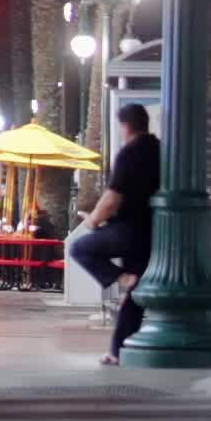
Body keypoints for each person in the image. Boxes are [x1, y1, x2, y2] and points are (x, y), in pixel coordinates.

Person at [70, 104, 159, 366]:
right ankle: (117, 351)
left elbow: (112, 197)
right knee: (135, 295)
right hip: (154, 231)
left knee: (80, 248)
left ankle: (122, 278)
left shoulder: (129, 153)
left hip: (129, 229)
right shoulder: (161, 150)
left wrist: (93, 221)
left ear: (125, 126)